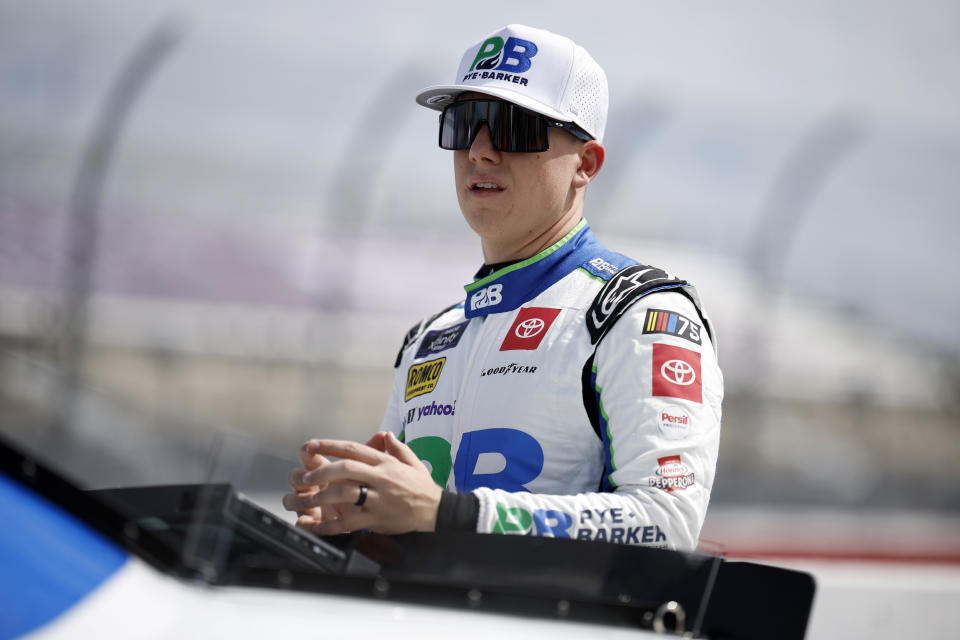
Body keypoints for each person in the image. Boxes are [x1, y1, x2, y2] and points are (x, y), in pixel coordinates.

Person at [283, 24, 722, 550]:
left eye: (514, 127)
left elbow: (666, 524)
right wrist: (355, 520)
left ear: (586, 164)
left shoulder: (637, 316)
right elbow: (417, 525)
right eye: (465, 124)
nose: (481, 151)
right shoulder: (430, 337)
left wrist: (451, 515)